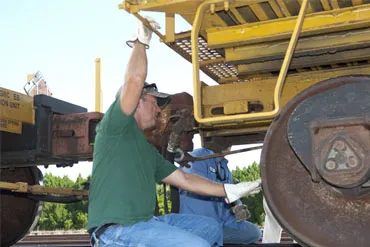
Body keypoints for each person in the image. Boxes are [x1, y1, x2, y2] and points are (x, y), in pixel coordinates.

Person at [87, 17, 262, 247]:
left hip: (146, 223)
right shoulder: (116, 127)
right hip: (116, 232)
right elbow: (134, 80)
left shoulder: (146, 151)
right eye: (153, 102)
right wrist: (141, 42)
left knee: (210, 229)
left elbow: (186, 179)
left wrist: (229, 190)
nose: (158, 109)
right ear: (136, 103)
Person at [179, 147, 262, 245]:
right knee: (207, 233)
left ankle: (215, 239)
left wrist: (237, 207)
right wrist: (226, 191)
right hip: (197, 223)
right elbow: (193, 184)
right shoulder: (197, 158)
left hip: (221, 223)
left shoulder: (224, 167)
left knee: (254, 233)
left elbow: (232, 195)